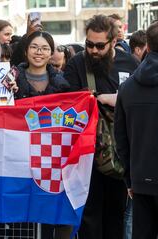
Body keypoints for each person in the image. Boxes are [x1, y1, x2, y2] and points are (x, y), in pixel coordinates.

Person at [63, 14, 139, 239]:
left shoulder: (130, 63)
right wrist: (94, 99)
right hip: (87, 152)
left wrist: (116, 99)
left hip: (118, 151)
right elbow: (68, 100)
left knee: (116, 212)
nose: (93, 50)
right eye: (89, 44)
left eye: (99, 45)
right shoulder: (78, 62)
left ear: (113, 42)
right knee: (90, 214)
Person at [14, 30, 70, 239]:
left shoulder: (63, 83)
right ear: (26, 50)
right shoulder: (10, 79)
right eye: (35, 47)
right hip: (19, 157)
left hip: (51, 160)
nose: (39, 52)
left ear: (51, 52)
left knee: (49, 213)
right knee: (23, 214)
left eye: (45, 48)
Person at [114, 21, 158, 239]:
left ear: (147, 47)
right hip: (139, 179)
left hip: (141, 178)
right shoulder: (128, 87)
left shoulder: (127, 87)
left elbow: (120, 139)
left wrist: (130, 179)